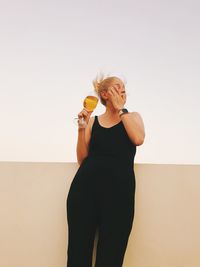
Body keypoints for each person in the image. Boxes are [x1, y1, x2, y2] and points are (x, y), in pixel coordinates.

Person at [66, 75, 145, 267]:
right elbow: (82, 159)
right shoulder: (93, 122)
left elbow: (138, 138)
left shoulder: (132, 116)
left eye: (124, 87)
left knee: (112, 254)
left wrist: (121, 110)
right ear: (104, 94)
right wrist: (81, 129)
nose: (122, 90)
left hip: (119, 194)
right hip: (85, 191)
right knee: (78, 253)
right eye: (117, 87)